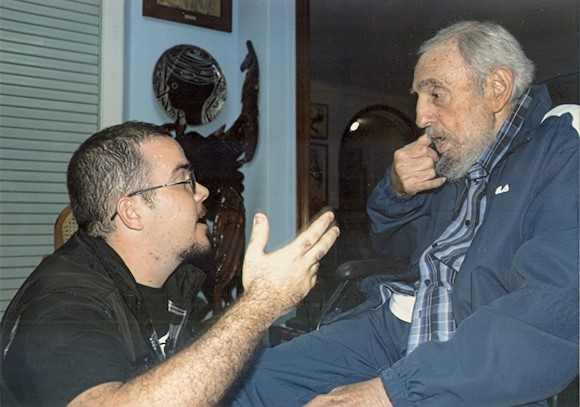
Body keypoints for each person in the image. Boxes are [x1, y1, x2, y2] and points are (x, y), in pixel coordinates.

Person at [229, 21, 579, 406]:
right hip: (393, 324)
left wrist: (391, 391)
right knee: (246, 382)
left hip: (472, 351)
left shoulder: (562, 151)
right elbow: (393, 248)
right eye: (418, 97)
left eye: (435, 94)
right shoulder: (458, 155)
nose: (420, 116)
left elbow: (551, 311)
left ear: (496, 88)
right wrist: (396, 193)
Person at [0, 121, 340, 406]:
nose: (203, 191)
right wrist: (261, 304)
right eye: (185, 181)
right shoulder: (59, 306)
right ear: (132, 211)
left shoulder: (173, 277)